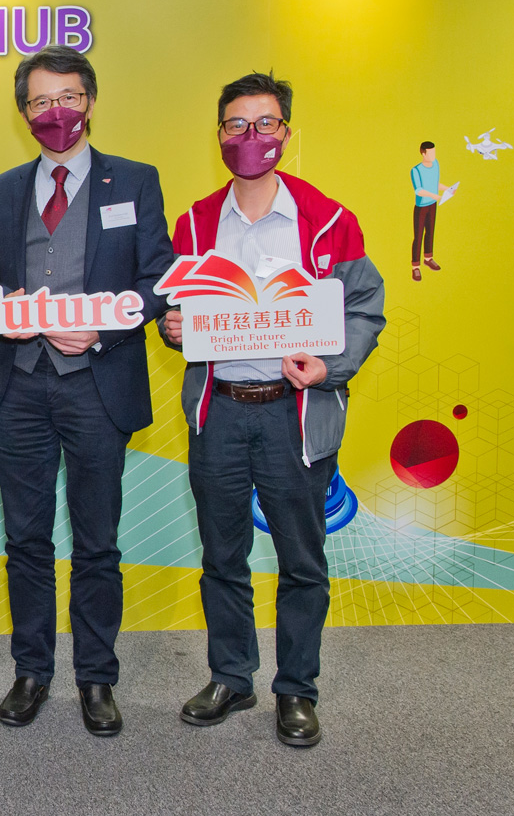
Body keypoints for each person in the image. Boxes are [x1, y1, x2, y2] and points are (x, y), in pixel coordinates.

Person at [160, 71, 385, 748]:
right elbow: (176, 311)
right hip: (220, 412)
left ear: (285, 131)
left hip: (294, 414)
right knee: (222, 555)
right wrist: (170, 327)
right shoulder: (196, 222)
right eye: (236, 124)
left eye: (264, 123)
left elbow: (365, 309)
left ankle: (297, 691)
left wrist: (332, 364)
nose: (250, 136)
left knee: (301, 561)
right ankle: (231, 675)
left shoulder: (332, 221)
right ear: (220, 134)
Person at [0, 45, 174, 733]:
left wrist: (108, 330)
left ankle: (96, 677)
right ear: (24, 111)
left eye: (68, 98)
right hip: (21, 387)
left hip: (96, 386)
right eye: (40, 101)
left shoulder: (136, 182)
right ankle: (32, 670)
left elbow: (158, 282)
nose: (56, 112)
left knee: (97, 541)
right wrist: (1, 308)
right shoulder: (1, 189)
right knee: (25, 540)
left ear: (90, 101)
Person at [410, 141, 443, 281]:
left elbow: (435, 183)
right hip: (421, 206)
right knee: (418, 236)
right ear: (423, 153)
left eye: (434, 152)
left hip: (432, 205)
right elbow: (419, 190)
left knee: (430, 232)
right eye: (430, 153)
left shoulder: (436, 165)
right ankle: (415, 267)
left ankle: (428, 258)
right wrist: (433, 195)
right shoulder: (416, 170)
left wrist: (447, 189)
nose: (433, 155)